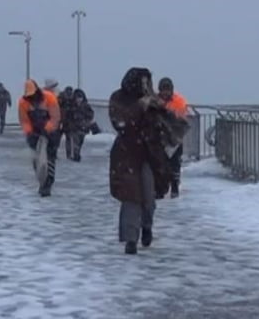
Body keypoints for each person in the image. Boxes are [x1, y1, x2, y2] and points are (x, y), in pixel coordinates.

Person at [109, 67, 176, 254]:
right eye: (143, 82)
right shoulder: (119, 98)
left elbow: (162, 124)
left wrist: (159, 111)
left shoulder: (152, 99)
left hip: (148, 154)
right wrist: (139, 106)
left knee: (149, 197)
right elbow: (120, 122)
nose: (146, 86)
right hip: (127, 155)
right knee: (131, 198)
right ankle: (131, 239)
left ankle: (147, 226)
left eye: (148, 82)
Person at [18, 78, 61, 197]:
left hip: (51, 133)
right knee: (36, 160)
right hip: (34, 133)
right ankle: (41, 181)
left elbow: (55, 116)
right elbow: (24, 120)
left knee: (50, 158)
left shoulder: (49, 98)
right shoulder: (23, 102)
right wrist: (30, 133)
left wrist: (47, 130)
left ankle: (48, 184)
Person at [157, 77, 189, 196]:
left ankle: (174, 187)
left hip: (174, 137)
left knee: (175, 162)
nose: (165, 92)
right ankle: (161, 187)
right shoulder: (154, 100)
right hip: (159, 137)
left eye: (168, 89)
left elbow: (181, 118)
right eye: (163, 90)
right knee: (160, 163)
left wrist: (168, 113)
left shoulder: (179, 101)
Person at [64, 88, 100, 162]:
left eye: (80, 98)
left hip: (83, 128)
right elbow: (68, 116)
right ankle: (75, 155)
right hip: (74, 128)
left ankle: (76, 153)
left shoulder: (86, 106)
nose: (79, 99)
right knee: (74, 142)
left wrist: (85, 119)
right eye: (78, 98)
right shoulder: (71, 106)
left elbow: (91, 114)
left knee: (80, 142)